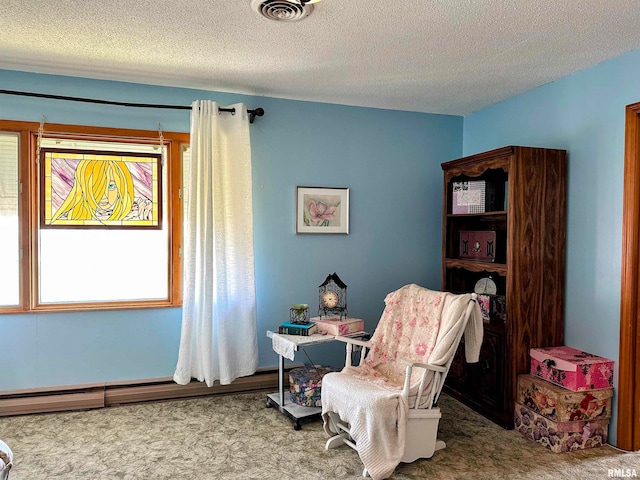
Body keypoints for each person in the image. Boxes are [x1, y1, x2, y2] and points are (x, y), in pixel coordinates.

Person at [51, 158, 152, 224]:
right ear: (84, 187)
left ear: (122, 186)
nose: (104, 195)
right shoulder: (69, 219)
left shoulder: (138, 212)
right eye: (97, 186)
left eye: (111, 186)